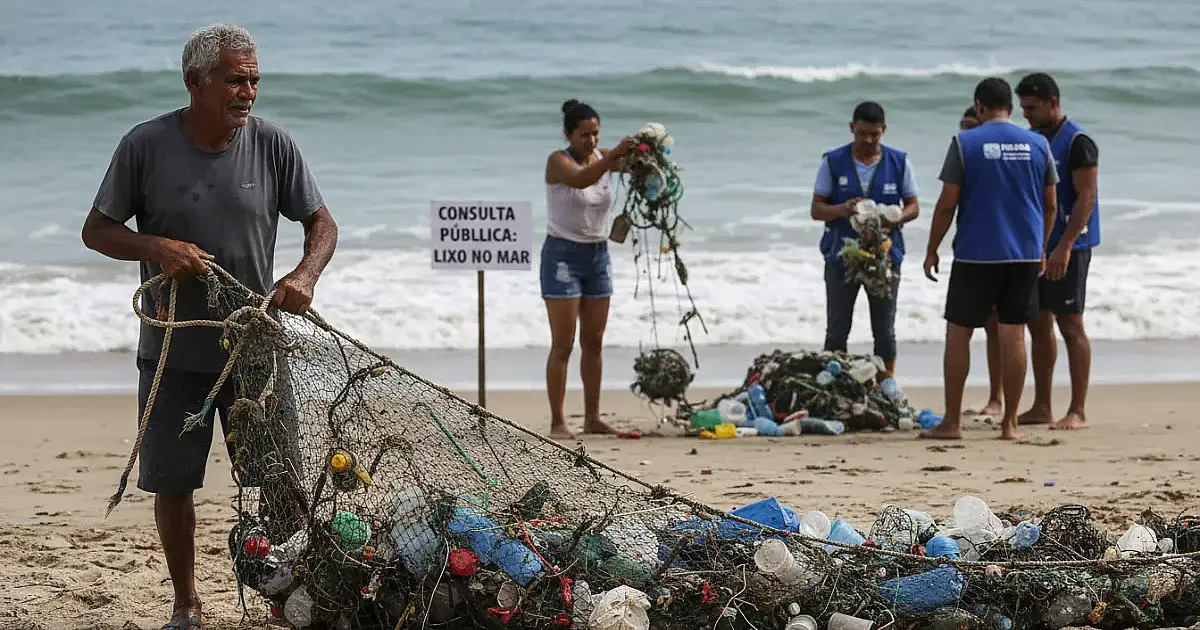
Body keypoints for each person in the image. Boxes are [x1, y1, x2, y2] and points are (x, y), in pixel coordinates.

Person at [80, 24, 338, 629]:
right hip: (171, 350)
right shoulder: (143, 145)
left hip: (253, 347)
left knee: (277, 482)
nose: (247, 92)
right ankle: (186, 602)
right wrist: (156, 246)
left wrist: (304, 276)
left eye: (253, 79)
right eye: (234, 80)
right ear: (194, 83)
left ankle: (284, 600)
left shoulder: (274, 145)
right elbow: (97, 231)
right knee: (173, 484)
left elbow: (323, 225)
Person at [921, 77, 1058, 441]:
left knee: (959, 333)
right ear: (1011, 108)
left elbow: (948, 201)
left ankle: (952, 422)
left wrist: (933, 246)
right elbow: (1050, 204)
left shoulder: (965, 143)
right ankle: (1010, 423)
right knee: (1013, 336)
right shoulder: (1038, 144)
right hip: (1024, 254)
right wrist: (1042, 247)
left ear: (978, 106)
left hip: (976, 254)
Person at [541, 99, 636, 439]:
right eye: (584, 136)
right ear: (568, 134)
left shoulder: (603, 157)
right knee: (563, 344)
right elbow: (581, 180)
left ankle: (593, 417)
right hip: (562, 256)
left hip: (598, 255)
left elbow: (637, 166)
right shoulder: (558, 162)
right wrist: (612, 158)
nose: (592, 142)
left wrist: (644, 148)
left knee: (594, 341)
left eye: (596, 134)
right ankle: (558, 422)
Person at [1014, 72, 1100, 430]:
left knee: (1070, 324)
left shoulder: (1078, 141)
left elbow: (1087, 198)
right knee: (1039, 323)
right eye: (1022, 108)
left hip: (1071, 246)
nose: (1026, 115)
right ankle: (1042, 406)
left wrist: (1064, 247)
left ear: (1052, 102)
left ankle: (1078, 409)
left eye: (1032, 108)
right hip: (1038, 246)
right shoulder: (1033, 139)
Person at [810, 101, 920, 378]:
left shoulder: (899, 161)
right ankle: (834, 385)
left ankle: (887, 388)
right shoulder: (833, 162)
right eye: (862, 133)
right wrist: (843, 210)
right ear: (852, 129)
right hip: (841, 256)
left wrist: (896, 218)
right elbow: (816, 209)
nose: (869, 140)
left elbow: (914, 206)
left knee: (884, 330)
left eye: (875, 134)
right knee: (837, 329)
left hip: (884, 258)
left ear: (883, 130)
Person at [959, 104, 1007, 419]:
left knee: (996, 326)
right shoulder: (965, 158)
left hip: (998, 252)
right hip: (969, 249)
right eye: (963, 127)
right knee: (963, 325)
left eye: (970, 127)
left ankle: (997, 398)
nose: (965, 133)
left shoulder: (992, 162)